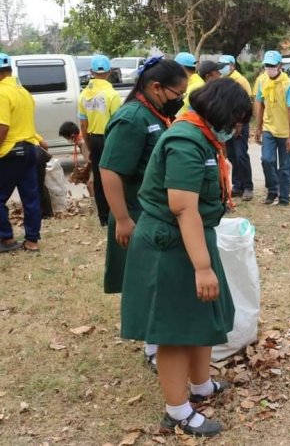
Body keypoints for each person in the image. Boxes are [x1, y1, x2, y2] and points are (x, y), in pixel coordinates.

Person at [120, 78, 250, 437]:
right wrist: (203, 267)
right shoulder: (184, 141)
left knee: (200, 317)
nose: (237, 128)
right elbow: (182, 208)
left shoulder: (204, 137)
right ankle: (177, 411)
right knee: (175, 329)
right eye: (237, 119)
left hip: (191, 239)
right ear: (222, 112)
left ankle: (201, 385)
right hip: (171, 243)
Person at [99, 57, 187, 369]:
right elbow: (109, 170)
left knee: (157, 280)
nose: (180, 100)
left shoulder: (154, 113)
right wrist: (123, 219)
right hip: (134, 213)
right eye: (177, 94)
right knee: (147, 282)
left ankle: (161, 340)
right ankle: (154, 348)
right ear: (155, 87)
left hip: (153, 214)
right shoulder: (132, 118)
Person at [0, 53, 42, 253]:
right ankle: (32, 241)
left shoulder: (1, 92)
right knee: (31, 198)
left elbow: (3, 127)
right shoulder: (24, 92)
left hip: (9, 151)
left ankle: (6, 239)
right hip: (29, 149)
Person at [78, 55, 122, 226]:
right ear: (110, 72)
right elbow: (118, 122)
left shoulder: (84, 95)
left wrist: (88, 145)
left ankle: (103, 217)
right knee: (115, 176)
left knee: (98, 177)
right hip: (111, 138)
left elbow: (83, 125)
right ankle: (116, 213)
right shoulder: (112, 95)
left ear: (91, 72)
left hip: (94, 139)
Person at [254, 50, 290, 206]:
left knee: (285, 167)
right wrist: (258, 128)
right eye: (267, 65)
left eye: (273, 65)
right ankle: (273, 190)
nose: (269, 68)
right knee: (267, 160)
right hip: (269, 128)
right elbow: (260, 105)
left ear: (280, 65)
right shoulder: (261, 81)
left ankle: (284, 197)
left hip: (286, 131)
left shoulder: (289, 85)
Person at [219, 54, 254, 201]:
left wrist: (239, 124)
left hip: (239, 124)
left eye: (224, 66)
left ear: (232, 66)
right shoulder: (222, 80)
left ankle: (247, 187)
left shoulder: (241, 81)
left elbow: (246, 105)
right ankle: (237, 185)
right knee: (231, 155)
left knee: (241, 155)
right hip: (227, 124)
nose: (221, 69)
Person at [59, 121, 94, 197]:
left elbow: (91, 160)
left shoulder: (82, 143)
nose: (67, 140)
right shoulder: (82, 136)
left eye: (66, 138)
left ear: (72, 136)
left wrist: (84, 172)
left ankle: (97, 206)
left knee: (90, 185)